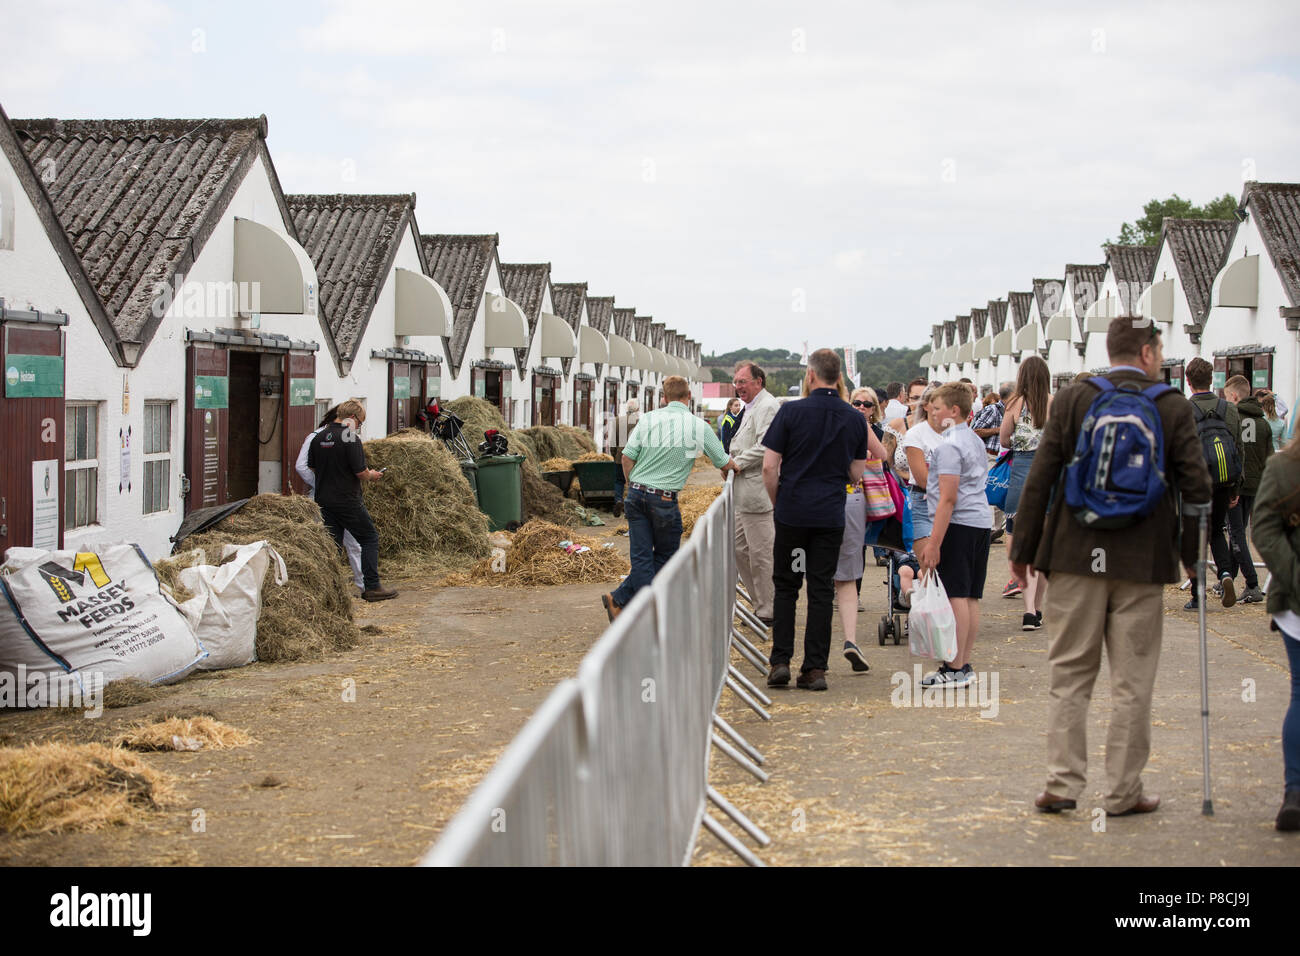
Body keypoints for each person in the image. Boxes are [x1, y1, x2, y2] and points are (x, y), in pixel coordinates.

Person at [1011, 317, 1210, 817]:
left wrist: (1024, 553)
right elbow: (1196, 487)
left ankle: (1061, 783)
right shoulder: (1170, 405)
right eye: (1159, 350)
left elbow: (1043, 476)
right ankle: (1123, 792)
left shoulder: (1076, 398)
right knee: (1132, 682)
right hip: (1142, 561)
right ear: (1146, 352)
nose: (1161, 359)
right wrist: (1193, 561)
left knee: (1070, 674)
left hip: (1075, 555)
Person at [762, 349, 884, 692]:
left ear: (811, 376)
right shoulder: (854, 418)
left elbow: (769, 467)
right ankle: (815, 668)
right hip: (830, 513)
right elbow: (857, 472)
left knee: (785, 587)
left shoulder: (791, 412)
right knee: (820, 590)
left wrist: (778, 501)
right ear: (839, 379)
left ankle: (781, 661)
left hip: (792, 510)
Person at [602, 376, 731, 621]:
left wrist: (632, 485)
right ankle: (638, 612)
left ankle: (620, 600)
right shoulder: (698, 425)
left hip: (638, 493)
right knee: (668, 555)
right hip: (663, 498)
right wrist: (735, 465)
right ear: (688, 397)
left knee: (641, 556)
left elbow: (627, 457)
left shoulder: (648, 419)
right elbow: (721, 460)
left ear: (664, 397)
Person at [916, 383, 992, 686]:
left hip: (959, 524)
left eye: (937, 408)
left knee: (957, 594)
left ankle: (955, 664)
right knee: (970, 594)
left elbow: (948, 497)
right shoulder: (972, 439)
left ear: (954, 411)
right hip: (979, 521)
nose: (932, 414)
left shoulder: (949, 445)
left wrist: (934, 542)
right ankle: (964, 661)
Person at [1250, 433, 1300, 830]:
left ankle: (1295, 791)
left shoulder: (1283, 467)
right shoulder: (1282, 467)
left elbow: (1264, 529)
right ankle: (1296, 791)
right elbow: (1264, 530)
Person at [307, 399, 396, 602]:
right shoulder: (350, 438)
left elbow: (312, 467)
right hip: (347, 499)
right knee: (369, 537)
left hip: (323, 499)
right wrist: (372, 475)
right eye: (361, 422)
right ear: (353, 417)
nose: (359, 426)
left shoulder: (318, 437)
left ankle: (328, 590)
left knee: (333, 545)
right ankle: (372, 586)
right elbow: (360, 472)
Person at [1185, 358, 1246, 610]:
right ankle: (1225, 574)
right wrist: (1235, 488)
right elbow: (1238, 449)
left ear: (1188, 382)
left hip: (1195, 484)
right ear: (1212, 380)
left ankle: (1199, 596)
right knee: (1217, 530)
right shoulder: (1228, 409)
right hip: (1223, 481)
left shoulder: (1184, 409)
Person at [999, 355, 1052, 629]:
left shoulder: (1015, 404)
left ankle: (1029, 609)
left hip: (1021, 474)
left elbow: (1004, 439)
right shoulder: (1055, 403)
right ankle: (1038, 608)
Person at [728, 363, 779, 626]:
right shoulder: (751, 407)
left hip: (757, 491)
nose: (738, 387)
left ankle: (769, 609)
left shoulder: (767, 406)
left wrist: (737, 463)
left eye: (743, 382)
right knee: (740, 550)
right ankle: (761, 603)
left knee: (760, 553)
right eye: (736, 382)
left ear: (759, 381)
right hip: (743, 492)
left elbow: (766, 446)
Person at [295, 405, 364, 593]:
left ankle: (362, 584)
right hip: (327, 497)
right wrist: (322, 483)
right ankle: (330, 587)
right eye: (357, 421)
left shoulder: (344, 437)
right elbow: (301, 466)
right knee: (329, 542)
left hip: (336, 495)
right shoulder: (317, 437)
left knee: (351, 542)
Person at [1225, 375, 1271, 603]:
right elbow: (1269, 457)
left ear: (1234, 396)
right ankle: (1229, 577)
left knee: (1236, 534)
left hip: (1237, 484)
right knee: (1239, 531)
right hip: (1256, 484)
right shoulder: (1264, 423)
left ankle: (1252, 582)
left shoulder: (1233, 418)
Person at [901, 385, 945, 575]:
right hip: (923, 501)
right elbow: (922, 479)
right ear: (926, 406)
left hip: (951, 504)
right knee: (930, 567)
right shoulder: (916, 434)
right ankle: (928, 602)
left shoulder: (954, 433)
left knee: (948, 568)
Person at [608, 398, 641, 517]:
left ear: (627, 408)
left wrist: (614, 455)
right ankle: (630, 506)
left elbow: (612, 441)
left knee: (619, 481)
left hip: (619, 456)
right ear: (637, 409)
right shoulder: (640, 421)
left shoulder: (617, 421)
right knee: (634, 482)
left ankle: (618, 500)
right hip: (636, 459)